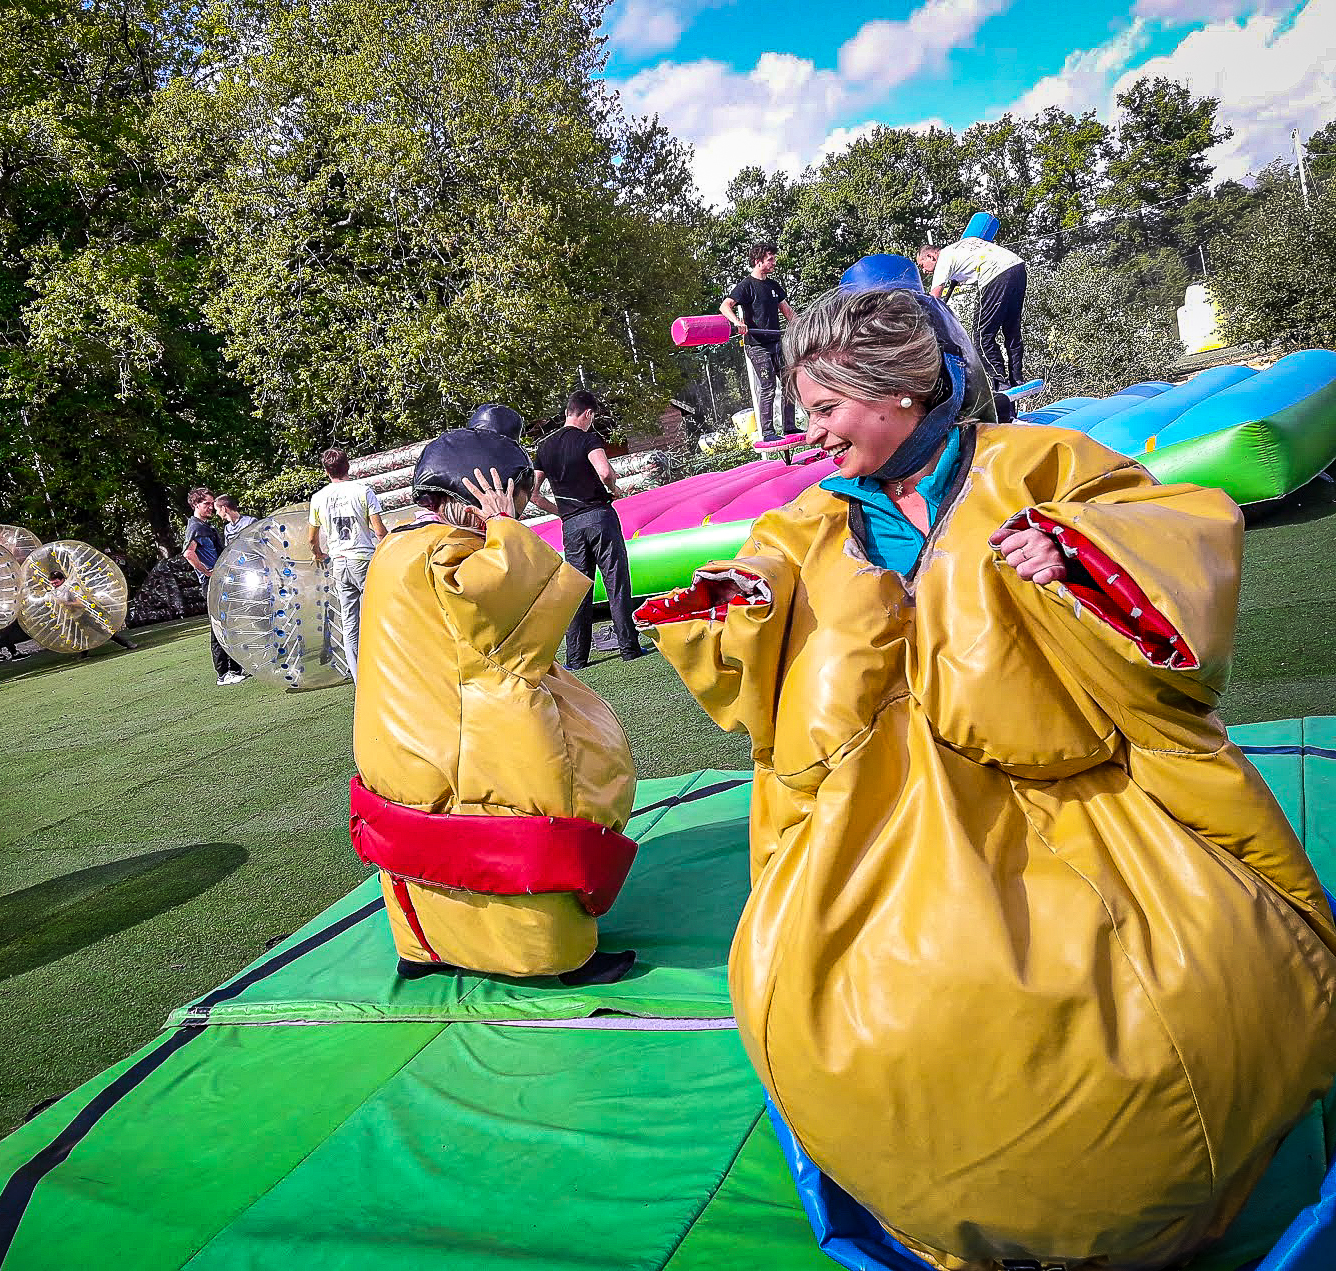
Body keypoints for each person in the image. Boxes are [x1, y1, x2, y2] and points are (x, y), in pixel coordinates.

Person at [634, 279, 1336, 1270]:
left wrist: (1081, 553)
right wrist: (742, 602)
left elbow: (1176, 528)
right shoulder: (809, 526)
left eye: (827, 408)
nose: (814, 432)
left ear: (899, 393)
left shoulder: (1039, 463)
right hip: (878, 819)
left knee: (1178, 991)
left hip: (1086, 794)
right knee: (841, 999)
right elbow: (757, 612)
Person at [351, 408, 637, 986]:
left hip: (399, 735)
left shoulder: (396, 549)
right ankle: (551, 954)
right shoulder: (448, 557)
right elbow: (508, 618)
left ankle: (424, 946)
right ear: (484, 494)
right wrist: (505, 530)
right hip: (467, 738)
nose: (524, 508)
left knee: (416, 837)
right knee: (528, 815)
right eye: (518, 497)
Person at [531, 391, 647, 670]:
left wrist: (563, 511)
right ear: (588, 414)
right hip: (599, 517)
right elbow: (604, 471)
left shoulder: (544, 447)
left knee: (578, 589)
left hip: (571, 526)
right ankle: (629, 648)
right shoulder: (588, 439)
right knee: (615, 582)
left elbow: (533, 494)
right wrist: (614, 488)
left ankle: (576, 658)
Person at [307, 448, 387, 680]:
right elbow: (380, 531)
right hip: (362, 558)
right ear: (348, 466)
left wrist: (318, 554)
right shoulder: (362, 491)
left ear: (326, 470)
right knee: (378, 611)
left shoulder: (318, 498)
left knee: (349, 619)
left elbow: (312, 538)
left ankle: (358, 674)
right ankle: (386, 664)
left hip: (339, 562)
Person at [917, 236, 1027, 389]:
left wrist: (923, 320)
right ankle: (1017, 378)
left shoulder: (943, 258)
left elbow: (934, 298)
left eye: (922, 265)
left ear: (931, 256)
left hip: (995, 274)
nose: (924, 271)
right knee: (1011, 329)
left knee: (982, 337)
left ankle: (1000, 382)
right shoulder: (961, 247)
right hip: (1017, 267)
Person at [720, 240, 799, 437]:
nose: (773, 263)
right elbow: (725, 306)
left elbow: (788, 312)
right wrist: (738, 322)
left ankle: (789, 427)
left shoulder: (774, 285)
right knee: (768, 386)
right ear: (758, 262)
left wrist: (801, 327)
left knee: (789, 383)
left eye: (773, 259)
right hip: (757, 346)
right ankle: (768, 432)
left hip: (776, 343)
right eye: (770, 259)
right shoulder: (746, 286)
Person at [183, 487, 244, 685]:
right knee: (218, 626)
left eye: (211, 504)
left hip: (220, 580)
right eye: (206, 504)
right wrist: (207, 572)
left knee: (229, 623)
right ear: (195, 505)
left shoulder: (205, 526)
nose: (211, 507)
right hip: (211, 582)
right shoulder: (195, 527)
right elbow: (189, 554)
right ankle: (223, 673)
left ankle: (235, 669)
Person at [47, 570, 136, 653]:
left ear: (63, 579)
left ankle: (127, 643)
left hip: (84, 615)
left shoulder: (71, 588)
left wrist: (65, 603)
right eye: (52, 583)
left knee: (104, 631)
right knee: (79, 638)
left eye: (56, 582)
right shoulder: (55, 591)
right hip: (71, 619)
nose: (54, 585)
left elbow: (81, 604)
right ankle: (83, 655)